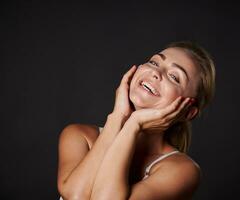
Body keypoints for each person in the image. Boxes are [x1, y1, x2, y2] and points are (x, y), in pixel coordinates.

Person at [57, 40, 216, 200]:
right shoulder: (79, 136)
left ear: (188, 112)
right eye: (154, 62)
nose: (156, 72)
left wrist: (133, 125)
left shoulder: (183, 171)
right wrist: (118, 117)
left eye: (174, 77)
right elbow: (75, 197)